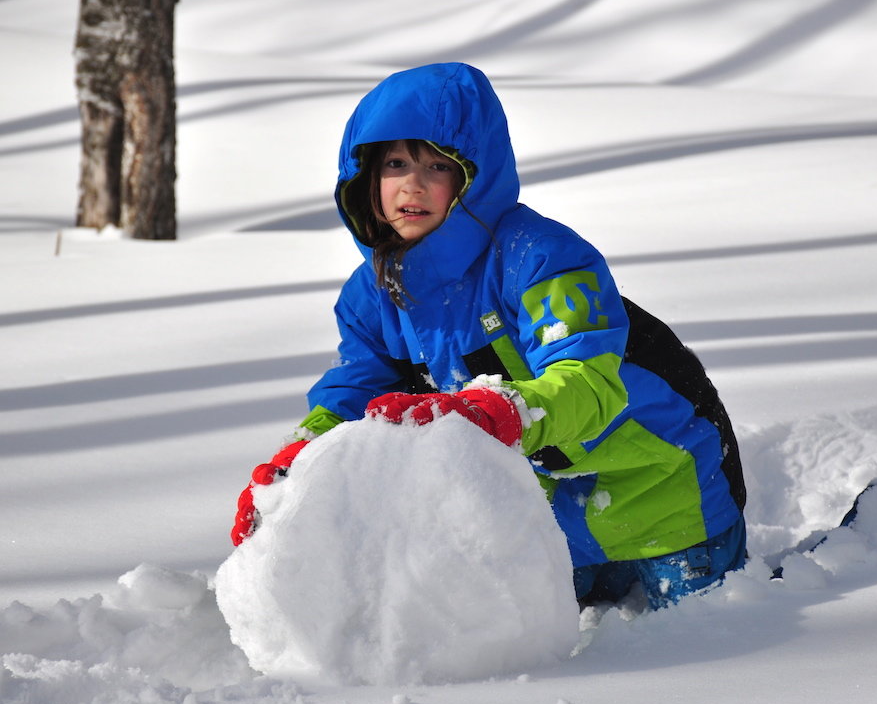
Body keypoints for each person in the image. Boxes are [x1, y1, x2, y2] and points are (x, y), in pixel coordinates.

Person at [231, 62, 747, 611]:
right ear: (364, 178)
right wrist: (300, 458)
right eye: (396, 163)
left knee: (695, 649)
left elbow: (588, 383)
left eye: (437, 164)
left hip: (665, 486)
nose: (413, 182)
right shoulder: (372, 295)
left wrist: (501, 412)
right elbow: (357, 392)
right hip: (551, 522)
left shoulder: (540, 257)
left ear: (473, 177)